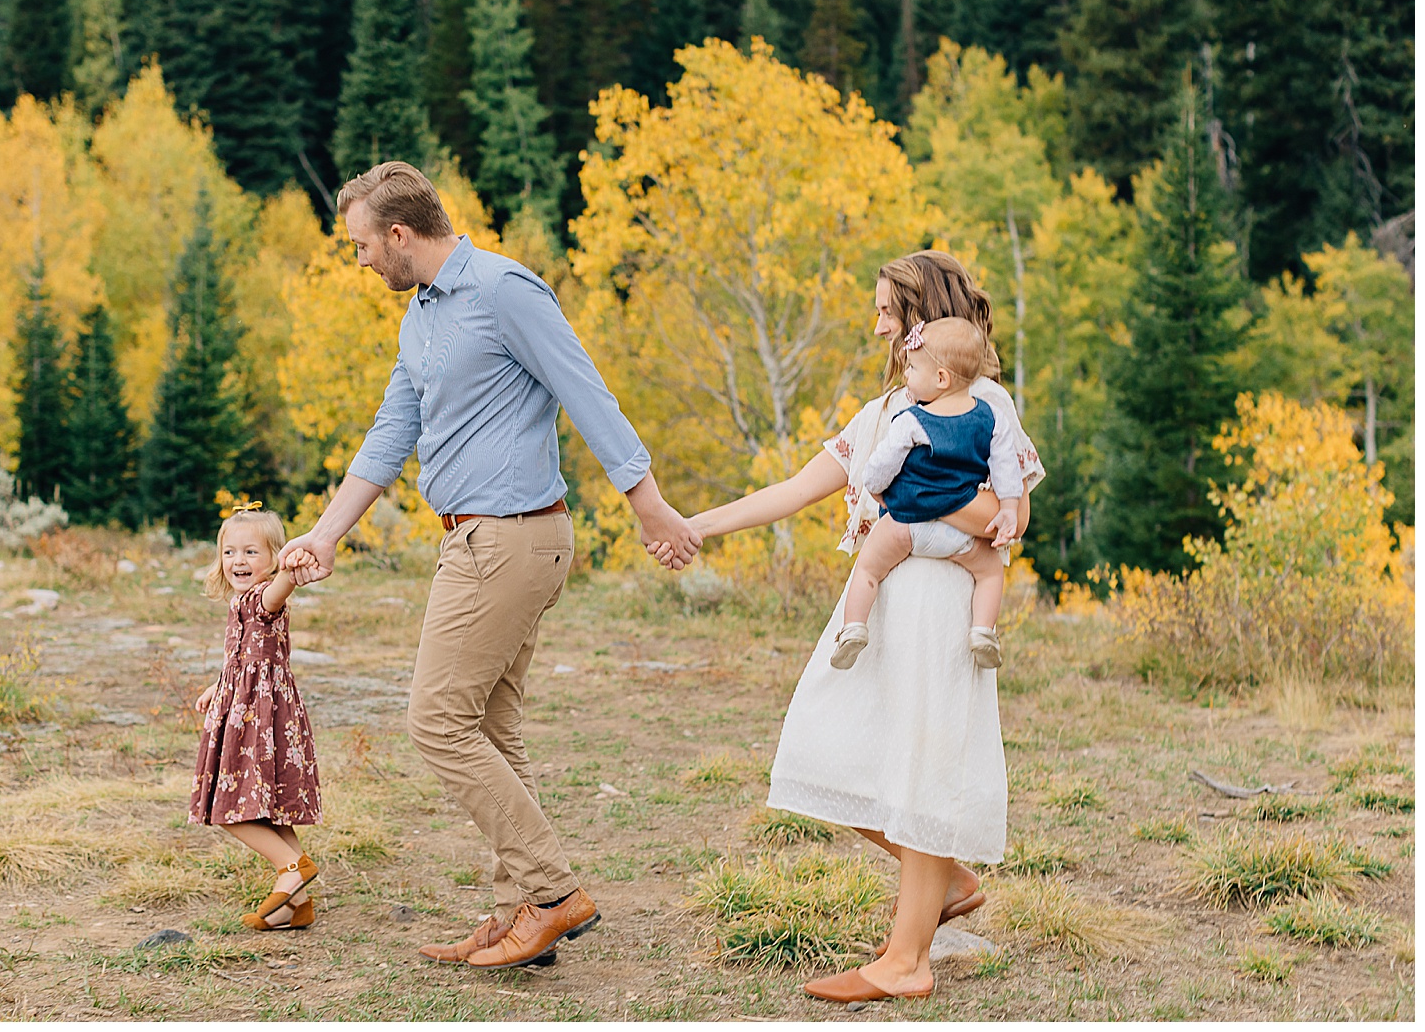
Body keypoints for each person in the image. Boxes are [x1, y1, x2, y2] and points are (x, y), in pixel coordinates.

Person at [279, 161, 701, 970]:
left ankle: (551, 892)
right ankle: (521, 918)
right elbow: (389, 431)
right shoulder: (421, 316)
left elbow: (588, 392)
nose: (358, 260)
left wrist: (648, 504)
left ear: (400, 234)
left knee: (436, 720)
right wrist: (326, 533)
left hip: (511, 538)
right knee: (492, 727)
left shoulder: (507, 291)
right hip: (474, 538)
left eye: (362, 245)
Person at [652, 250, 1043, 1003]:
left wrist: (915, 496)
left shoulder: (984, 403)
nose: (877, 326)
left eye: (886, 312)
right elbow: (795, 489)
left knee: (921, 769)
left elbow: (1003, 519)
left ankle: (907, 962)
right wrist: (691, 526)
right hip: (881, 602)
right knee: (821, 747)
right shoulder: (888, 411)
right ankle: (946, 881)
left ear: (922, 320)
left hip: (939, 602)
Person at [833, 316, 1023, 672]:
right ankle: (983, 631)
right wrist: (1008, 508)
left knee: (868, 568)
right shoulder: (991, 417)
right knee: (991, 573)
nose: (906, 375)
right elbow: (1006, 471)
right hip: (961, 534)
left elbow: (879, 468)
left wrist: (876, 492)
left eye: (913, 368)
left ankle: (853, 628)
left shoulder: (910, 419)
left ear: (940, 378)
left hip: (907, 523)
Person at [190, 504, 322, 932]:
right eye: (230, 552)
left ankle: (291, 867)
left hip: (260, 718)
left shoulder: (265, 597)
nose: (239, 562)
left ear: (273, 558)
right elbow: (244, 657)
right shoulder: (238, 602)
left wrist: (291, 567)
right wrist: (220, 685)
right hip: (247, 705)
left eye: (251, 552)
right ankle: (296, 905)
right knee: (270, 807)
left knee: (231, 806)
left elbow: (278, 590)